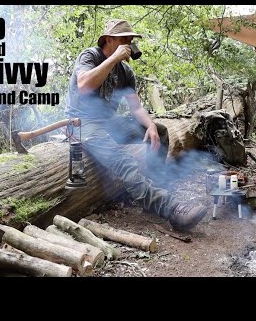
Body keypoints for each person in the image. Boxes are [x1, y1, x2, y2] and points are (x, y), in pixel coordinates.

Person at [64, 19, 207, 231]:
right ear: (109, 40)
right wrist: (113, 59)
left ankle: (155, 189)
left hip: (109, 122)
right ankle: (171, 210)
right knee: (124, 161)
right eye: (124, 39)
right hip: (81, 123)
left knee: (160, 132)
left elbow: (136, 107)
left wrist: (149, 125)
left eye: (130, 40)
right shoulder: (90, 56)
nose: (129, 43)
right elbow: (84, 85)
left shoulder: (125, 72)